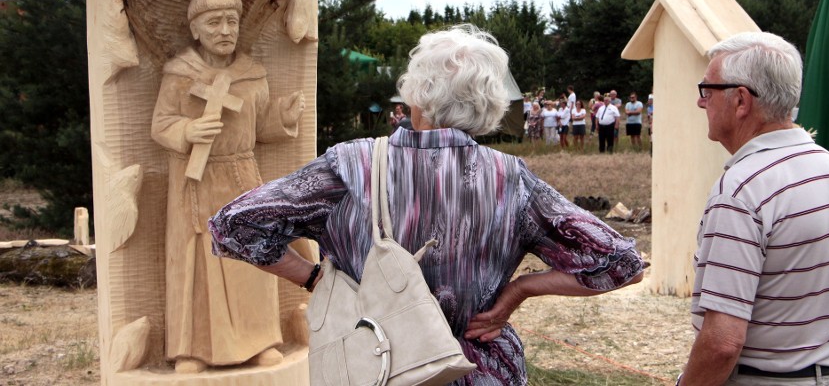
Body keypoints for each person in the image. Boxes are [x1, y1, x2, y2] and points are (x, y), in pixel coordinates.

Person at [208, 25, 645, 385]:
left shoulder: (350, 165)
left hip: (372, 369)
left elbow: (234, 226)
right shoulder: (511, 179)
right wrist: (519, 290)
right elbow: (622, 263)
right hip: (481, 370)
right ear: (489, 103)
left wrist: (314, 278)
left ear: (415, 94)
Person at [678, 32, 829, 386]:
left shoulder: (742, 190)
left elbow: (722, 343)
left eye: (707, 90)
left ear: (741, 100)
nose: (701, 102)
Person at [151, 0, 304, 373]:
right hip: (196, 180)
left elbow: (260, 125)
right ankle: (193, 350)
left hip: (241, 174)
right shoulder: (179, 74)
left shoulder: (251, 74)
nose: (225, 30)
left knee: (249, 258)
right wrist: (188, 130)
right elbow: (161, 124)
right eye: (214, 22)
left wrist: (283, 116)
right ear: (196, 30)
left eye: (232, 21)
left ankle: (259, 341)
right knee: (197, 264)